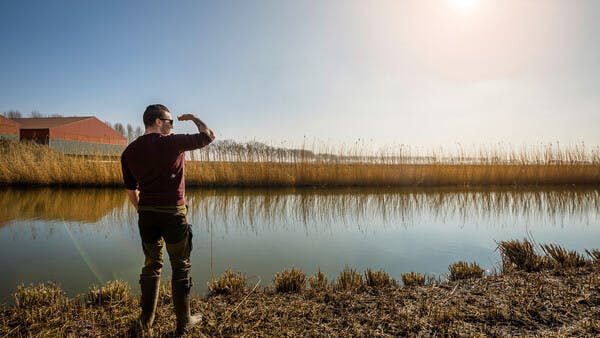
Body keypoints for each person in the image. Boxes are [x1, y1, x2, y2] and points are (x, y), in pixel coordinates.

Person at [120, 104, 215, 335]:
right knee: (181, 266)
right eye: (170, 122)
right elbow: (208, 136)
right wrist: (194, 117)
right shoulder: (172, 142)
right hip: (173, 214)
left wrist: (142, 209)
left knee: (151, 266)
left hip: (147, 214)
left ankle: (146, 320)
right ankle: (184, 322)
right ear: (158, 121)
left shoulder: (129, 152)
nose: (172, 126)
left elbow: (131, 190)